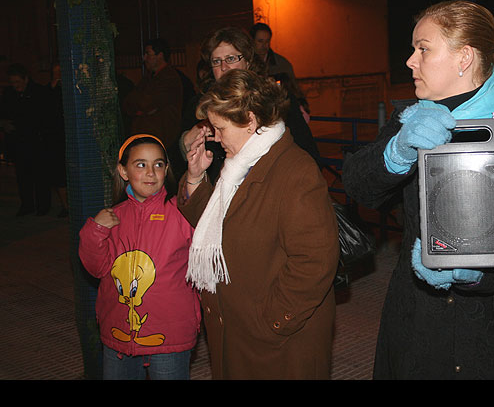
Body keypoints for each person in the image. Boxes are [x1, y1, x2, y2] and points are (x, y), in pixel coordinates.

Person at [342, 0, 494, 380]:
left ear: (463, 57)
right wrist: (395, 153)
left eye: (423, 48)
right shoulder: (409, 120)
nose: (410, 61)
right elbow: (359, 187)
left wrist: (470, 269)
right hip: (417, 330)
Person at [177, 68, 338, 379]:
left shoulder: (294, 171)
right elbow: (223, 226)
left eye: (220, 128)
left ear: (249, 120)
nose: (215, 136)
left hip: (276, 343)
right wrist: (196, 178)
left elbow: (315, 261)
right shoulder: (240, 165)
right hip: (238, 332)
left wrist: (272, 321)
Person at [78, 134, 200, 380]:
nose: (151, 173)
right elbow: (97, 268)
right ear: (123, 171)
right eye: (141, 164)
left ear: (167, 169)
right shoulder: (113, 217)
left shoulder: (182, 213)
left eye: (158, 164)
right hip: (118, 334)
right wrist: (94, 231)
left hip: (170, 334)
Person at [179, 26, 321, 180]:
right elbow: (174, 170)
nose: (223, 67)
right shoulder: (201, 106)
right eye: (216, 61)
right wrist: (185, 142)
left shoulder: (276, 100)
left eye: (231, 59)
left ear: (247, 61)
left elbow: (308, 155)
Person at [122, 38, 184, 170]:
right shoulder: (148, 78)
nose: (144, 58)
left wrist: (142, 109)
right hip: (146, 139)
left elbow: (145, 103)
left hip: (163, 140)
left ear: (160, 55)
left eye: (148, 54)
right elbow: (128, 103)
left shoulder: (169, 78)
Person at [3, 63, 52, 216]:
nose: (15, 86)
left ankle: (43, 206)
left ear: (25, 79)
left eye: (17, 82)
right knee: (23, 176)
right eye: (12, 83)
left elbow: (41, 118)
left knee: (40, 176)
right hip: (19, 143)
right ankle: (27, 205)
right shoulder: (9, 94)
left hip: (36, 142)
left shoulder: (38, 92)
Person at [46, 62, 69, 218]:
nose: (58, 74)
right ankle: (65, 206)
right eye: (56, 71)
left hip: (69, 137)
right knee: (59, 174)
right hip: (55, 137)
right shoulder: (48, 90)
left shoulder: (70, 88)